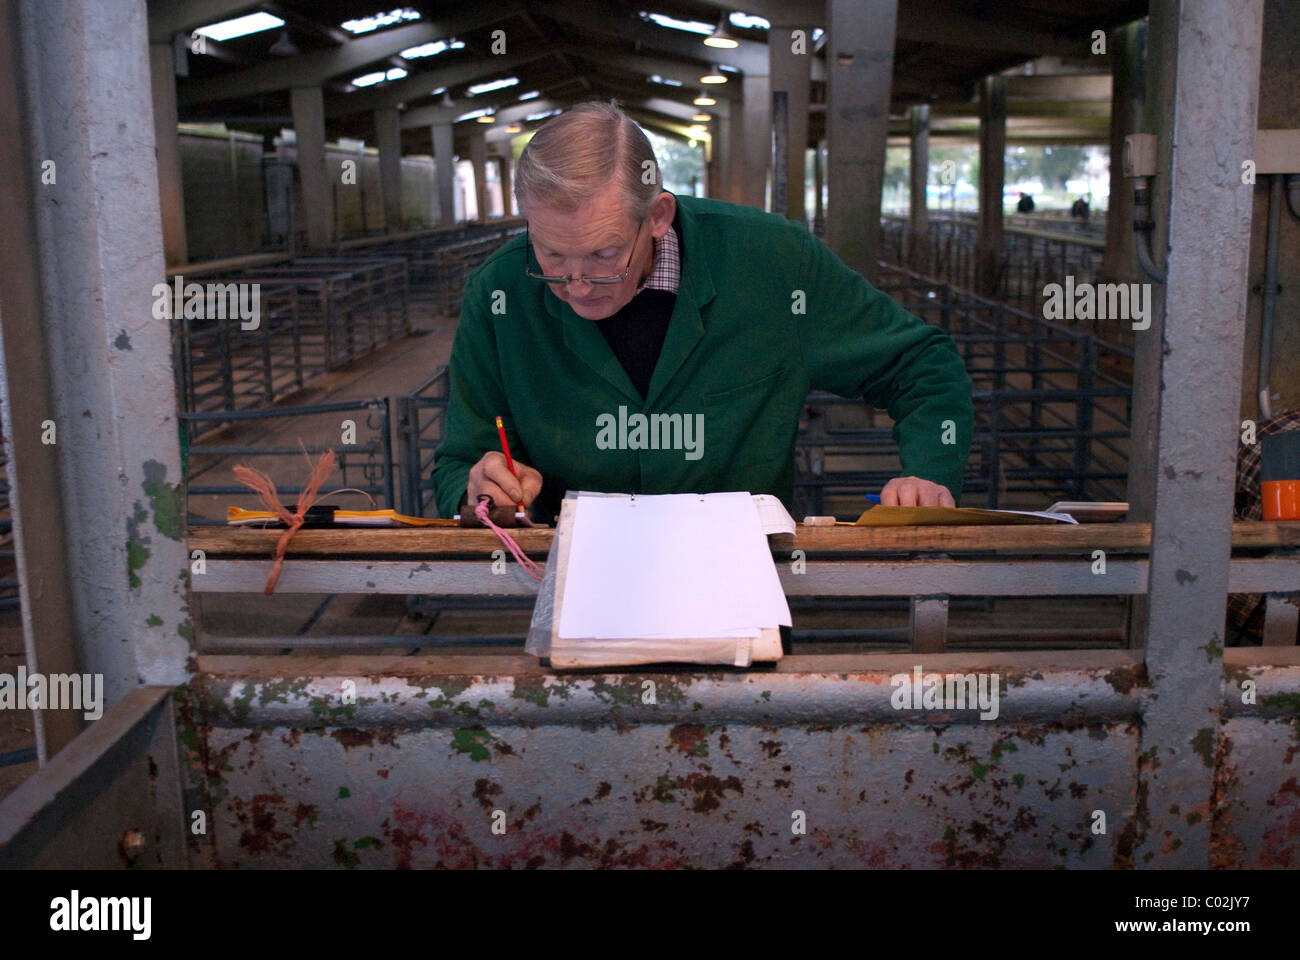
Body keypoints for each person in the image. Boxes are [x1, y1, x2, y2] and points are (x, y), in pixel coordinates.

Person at [431, 101, 973, 523]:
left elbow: (920, 364)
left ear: (658, 215)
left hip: (744, 583)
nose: (575, 284)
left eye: (603, 255)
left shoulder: (775, 264)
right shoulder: (498, 294)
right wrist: (478, 492)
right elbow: (459, 461)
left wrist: (929, 471)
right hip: (575, 582)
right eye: (550, 254)